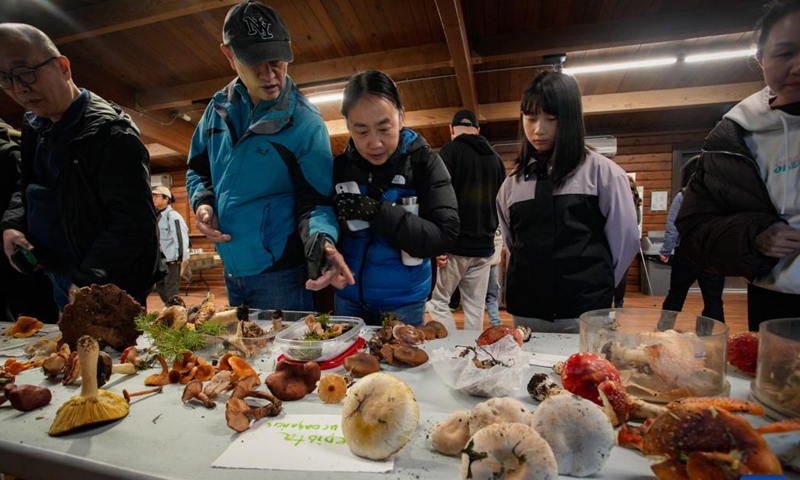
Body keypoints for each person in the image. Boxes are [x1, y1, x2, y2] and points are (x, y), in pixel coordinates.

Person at [185, 1, 352, 311]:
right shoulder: (216, 109)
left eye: (276, 60)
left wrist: (323, 243)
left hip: (282, 275)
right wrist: (203, 201)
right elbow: (197, 168)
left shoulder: (305, 123)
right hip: (232, 270)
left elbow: (315, 201)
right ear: (229, 55)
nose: (269, 73)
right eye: (253, 62)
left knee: (285, 358)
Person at [0, 24, 162, 309]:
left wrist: (90, 277)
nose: (19, 88)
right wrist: (12, 225)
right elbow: (26, 187)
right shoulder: (34, 124)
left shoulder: (111, 134)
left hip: (106, 284)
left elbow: (134, 222)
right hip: (57, 272)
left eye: (25, 72)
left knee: (114, 354)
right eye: (6, 79)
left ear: (63, 67)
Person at [675, 0, 800, 331]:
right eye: (786, 53)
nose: (798, 65)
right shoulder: (734, 136)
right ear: (760, 58)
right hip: (773, 298)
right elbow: (696, 231)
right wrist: (756, 236)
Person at [497, 71, 639, 333]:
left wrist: (594, 288)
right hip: (526, 313)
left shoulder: (604, 175)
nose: (539, 129)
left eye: (551, 119)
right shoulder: (511, 185)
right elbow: (511, 243)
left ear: (571, 119)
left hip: (584, 314)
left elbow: (625, 242)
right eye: (530, 119)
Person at [331, 70, 459, 327]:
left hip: (404, 305)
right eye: (362, 131)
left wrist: (377, 212)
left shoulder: (424, 163)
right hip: (348, 300)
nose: (374, 143)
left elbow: (444, 235)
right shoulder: (340, 167)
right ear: (347, 125)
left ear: (401, 116)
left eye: (383, 128)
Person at [426, 109, 506, 330]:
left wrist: (438, 243)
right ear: (478, 130)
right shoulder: (496, 159)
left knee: (438, 302)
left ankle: (453, 352)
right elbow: (501, 202)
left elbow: (437, 200)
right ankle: (471, 357)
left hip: (454, 246)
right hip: (484, 247)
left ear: (451, 130)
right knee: (474, 307)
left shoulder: (449, 152)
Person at [0, 118, 58, 322]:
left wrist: (11, 224)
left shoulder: (10, 154)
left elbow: (26, 195)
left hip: (22, 255)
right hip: (15, 252)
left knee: (39, 322)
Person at [660, 156, 726, 321]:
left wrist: (666, 250)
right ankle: (713, 338)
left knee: (676, 295)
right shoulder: (721, 197)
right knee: (714, 300)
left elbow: (673, 225)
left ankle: (663, 331)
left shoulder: (684, 195)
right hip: (714, 255)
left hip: (688, 252)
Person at [151, 186, 190, 303]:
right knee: (159, 285)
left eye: (157, 196)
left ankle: (177, 312)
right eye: (153, 196)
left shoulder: (173, 216)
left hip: (172, 259)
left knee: (171, 289)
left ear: (166, 199)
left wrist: (180, 257)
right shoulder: (157, 216)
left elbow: (181, 237)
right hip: (160, 260)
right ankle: (171, 309)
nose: (153, 199)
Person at [612, 175, 643, 308]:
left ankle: (615, 302)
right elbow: (637, 221)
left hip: (617, 239)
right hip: (625, 240)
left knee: (616, 273)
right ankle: (619, 303)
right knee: (621, 273)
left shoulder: (621, 197)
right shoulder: (635, 200)